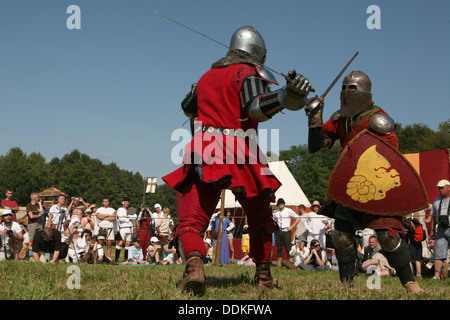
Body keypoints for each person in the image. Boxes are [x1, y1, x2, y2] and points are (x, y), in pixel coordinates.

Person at [162, 25, 312, 292]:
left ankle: (194, 266)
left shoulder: (206, 76)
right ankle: (264, 278)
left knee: (191, 220)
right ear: (258, 53)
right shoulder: (247, 72)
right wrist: (286, 95)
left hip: (203, 150)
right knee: (259, 217)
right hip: (240, 150)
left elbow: (188, 108)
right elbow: (255, 109)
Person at [305, 70, 422, 293]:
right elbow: (315, 146)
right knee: (340, 236)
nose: (346, 92)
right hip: (351, 187)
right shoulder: (340, 119)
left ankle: (410, 282)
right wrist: (314, 119)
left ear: (365, 93)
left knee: (387, 237)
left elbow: (391, 158)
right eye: (343, 87)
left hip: (377, 188)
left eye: (352, 88)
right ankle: (347, 285)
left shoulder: (379, 119)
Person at [430, 179, 450, 280]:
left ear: (448, 187)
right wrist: (432, 230)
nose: (440, 190)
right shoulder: (436, 201)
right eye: (439, 188)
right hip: (441, 230)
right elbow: (433, 216)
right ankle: (437, 275)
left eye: (442, 188)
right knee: (438, 253)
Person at [273, 198, 301, 267]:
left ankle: (290, 263)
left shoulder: (289, 210)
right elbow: (274, 220)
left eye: (282, 203)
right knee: (279, 248)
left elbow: (298, 218)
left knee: (288, 247)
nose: (280, 205)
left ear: (284, 204)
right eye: (279, 204)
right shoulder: (275, 212)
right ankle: (279, 264)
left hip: (286, 231)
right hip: (278, 231)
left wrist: (291, 226)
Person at [116, 197, 137, 262]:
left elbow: (135, 217)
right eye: (126, 202)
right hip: (123, 229)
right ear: (123, 203)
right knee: (120, 243)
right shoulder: (120, 209)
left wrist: (128, 216)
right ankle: (116, 258)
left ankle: (126, 259)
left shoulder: (130, 210)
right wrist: (129, 219)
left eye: (128, 202)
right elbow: (121, 218)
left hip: (130, 229)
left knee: (128, 244)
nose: (127, 203)